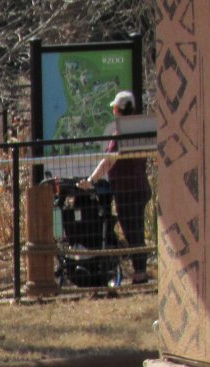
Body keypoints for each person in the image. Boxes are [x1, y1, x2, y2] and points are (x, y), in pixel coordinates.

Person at [79, 90, 152, 284]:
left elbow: (108, 161)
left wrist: (91, 179)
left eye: (114, 107)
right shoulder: (139, 131)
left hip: (127, 191)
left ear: (118, 110)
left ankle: (140, 273)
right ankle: (140, 269)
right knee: (136, 230)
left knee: (132, 231)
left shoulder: (120, 134)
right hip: (141, 187)